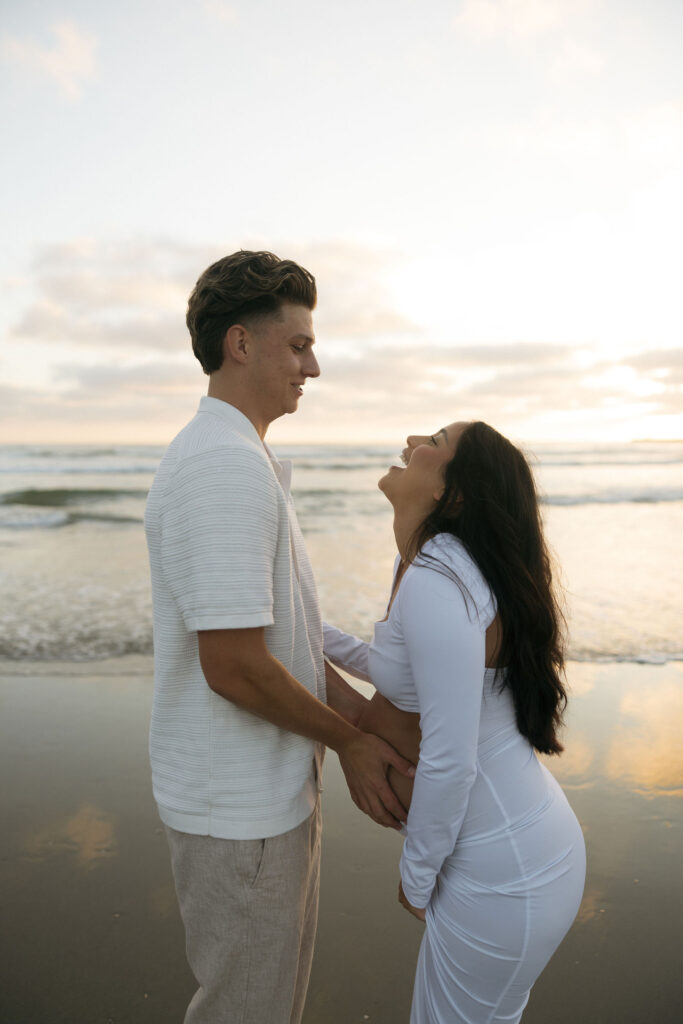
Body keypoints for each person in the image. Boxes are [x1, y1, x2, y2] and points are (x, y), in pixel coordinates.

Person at [144, 250, 413, 1024]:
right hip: (240, 810)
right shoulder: (222, 467)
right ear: (240, 343)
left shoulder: (242, 458)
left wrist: (366, 724)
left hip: (265, 796)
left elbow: (286, 640)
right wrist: (352, 743)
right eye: (298, 345)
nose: (314, 365)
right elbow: (233, 667)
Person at [323, 420, 586, 1024]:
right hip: (516, 853)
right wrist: (303, 627)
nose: (411, 439)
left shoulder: (439, 581)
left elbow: (451, 756)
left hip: (506, 871)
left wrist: (415, 878)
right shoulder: (433, 565)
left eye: (434, 440)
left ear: (453, 492)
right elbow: (407, 672)